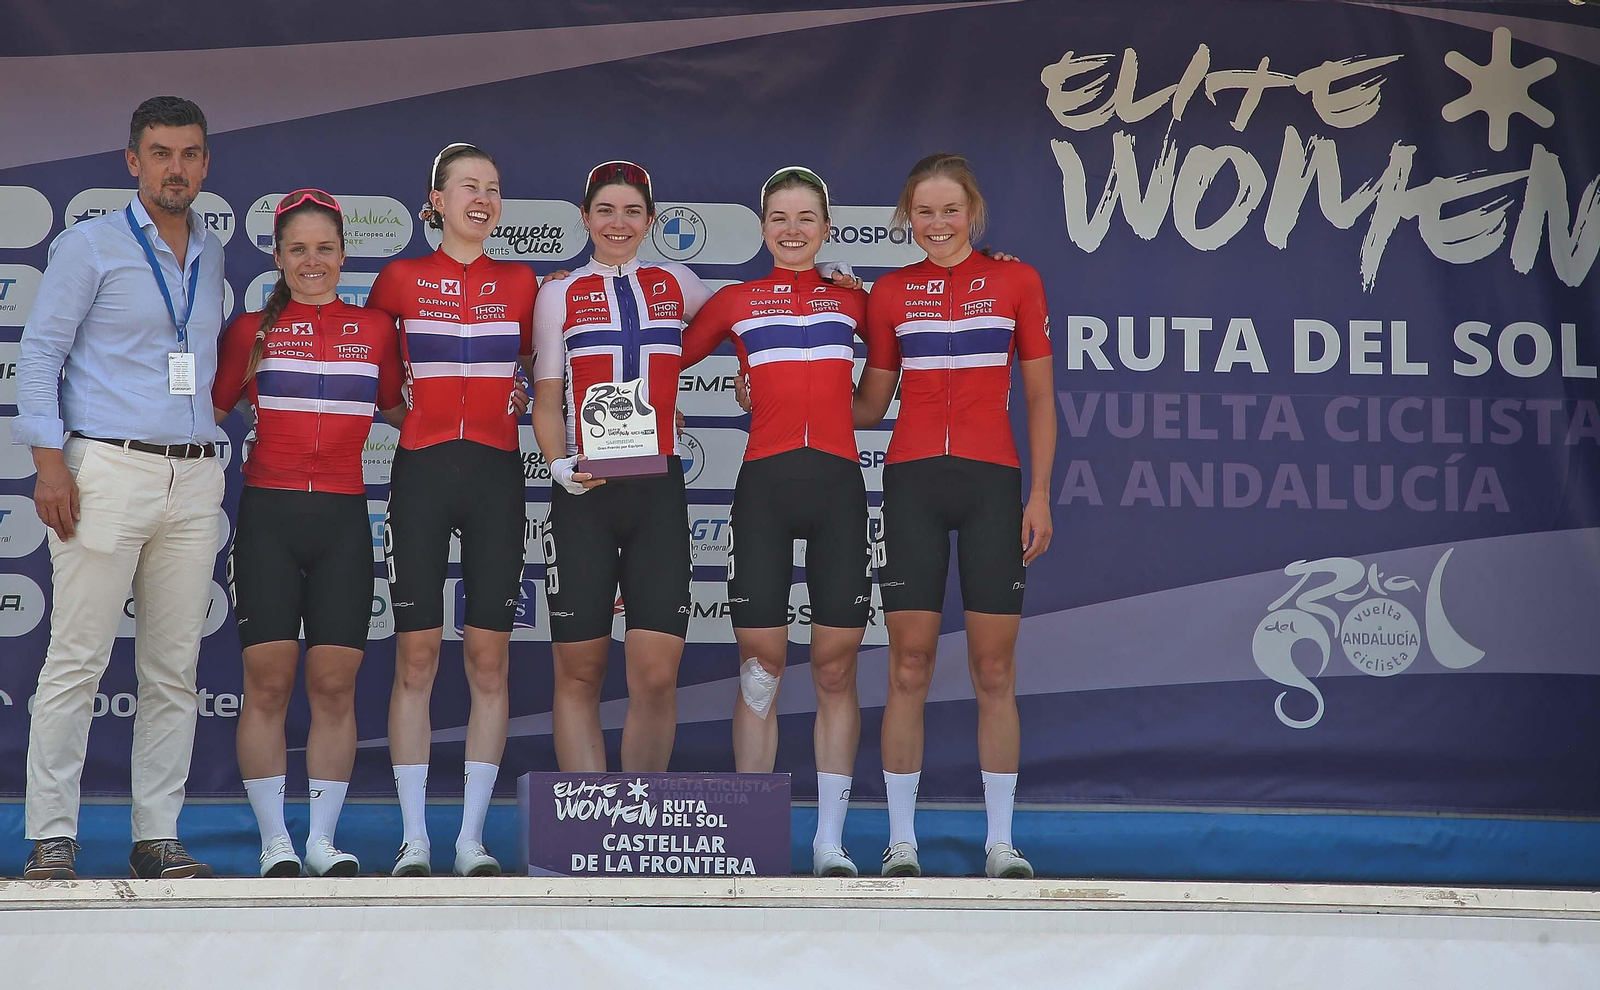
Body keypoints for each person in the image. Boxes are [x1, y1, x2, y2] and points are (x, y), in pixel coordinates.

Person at [14, 96, 225, 880]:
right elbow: (38, 356)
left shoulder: (210, 249)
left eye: (191, 154)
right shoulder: (89, 246)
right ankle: (52, 837)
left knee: (173, 668)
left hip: (195, 473)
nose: (177, 168)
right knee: (77, 660)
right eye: (162, 153)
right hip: (104, 467)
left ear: (206, 163)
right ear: (132, 161)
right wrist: (49, 464)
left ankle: (157, 834)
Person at [854, 153, 1056, 879]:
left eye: (950, 210)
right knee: (907, 666)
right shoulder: (889, 293)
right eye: (924, 212)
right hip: (911, 481)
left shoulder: (1015, 280)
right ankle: (900, 841)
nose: (937, 224)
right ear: (906, 218)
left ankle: (1001, 842)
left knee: (994, 668)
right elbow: (871, 404)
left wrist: (1037, 495)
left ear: (972, 211)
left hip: (992, 484)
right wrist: (795, 395)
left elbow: (1037, 397)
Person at [680, 166, 872, 878]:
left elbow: (912, 342)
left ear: (826, 227)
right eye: (779, 218)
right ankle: (749, 840)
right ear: (763, 228)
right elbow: (659, 356)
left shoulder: (855, 302)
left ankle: (829, 843)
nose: (792, 230)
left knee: (834, 669)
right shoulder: (735, 300)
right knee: (760, 668)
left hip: (838, 490)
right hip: (762, 486)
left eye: (805, 218)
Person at [212, 190, 406, 877]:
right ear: (277, 257)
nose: (312, 261)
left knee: (333, 686)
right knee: (267, 682)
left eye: (325, 248)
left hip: (344, 522)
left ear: (344, 255)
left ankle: (322, 840)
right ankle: (275, 843)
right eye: (298, 249)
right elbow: (208, 411)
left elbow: (404, 413)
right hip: (268, 516)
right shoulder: (247, 333)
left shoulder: (377, 329)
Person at [367, 143, 538, 877]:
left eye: (494, 188)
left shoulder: (525, 281)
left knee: (490, 660)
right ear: (434, 199)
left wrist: (525, 394)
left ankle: (470, 839)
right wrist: (414, 419)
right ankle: (414, 836)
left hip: (498, 473)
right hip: (423, 472)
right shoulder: (400, 278)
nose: (483, 197)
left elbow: (545, 368)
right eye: (469, 186)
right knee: (416, 655)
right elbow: (372, 374)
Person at [531, 162, 712, 773]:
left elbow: (749, 314)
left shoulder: (677, 282)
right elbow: (547, 396)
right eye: (605, 210)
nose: (618, 222)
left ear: (650, 221)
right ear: (584, 218)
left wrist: (822, 272)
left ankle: (639, 822)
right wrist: (558, 466)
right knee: (579, 670)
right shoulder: (557, 293)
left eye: (632, 211)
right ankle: (589, 825)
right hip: (585, 493)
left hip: (657, 489)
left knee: (657, 674)